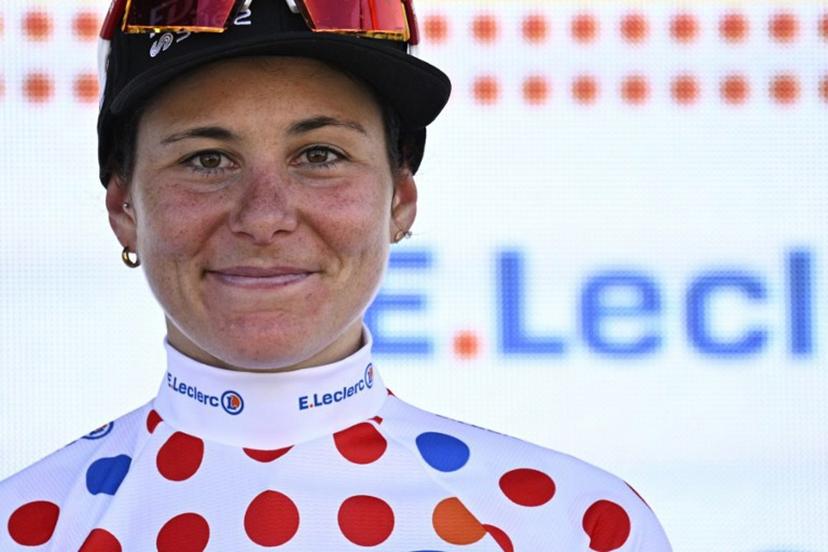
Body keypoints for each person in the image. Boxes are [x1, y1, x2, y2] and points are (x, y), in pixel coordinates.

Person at [0, 0, 671, 550]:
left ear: (399, 201)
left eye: (319, 154)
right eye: (207, 160)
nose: (264, 216)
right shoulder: (22, 529)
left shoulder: (575, 528)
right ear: (124, 208)